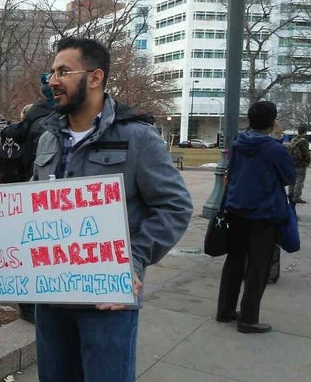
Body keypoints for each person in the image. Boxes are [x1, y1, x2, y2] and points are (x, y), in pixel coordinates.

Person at [31, 36, 192, 381]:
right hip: (50, 298)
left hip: (107, 302)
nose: (52, 81)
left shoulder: (137, 137)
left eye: (62, 71)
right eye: (51, 73)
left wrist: (131, 261)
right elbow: (38, 204)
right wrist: (4, 206)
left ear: (95, 77)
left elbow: (175, 206)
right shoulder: (47, 138)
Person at [216, 101, 295, 333]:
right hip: (264, 215)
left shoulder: (238, 143)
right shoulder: (275, 149)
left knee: (234, 262)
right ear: (272, 122)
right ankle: (248, 319)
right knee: (257, 268)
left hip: (236, 210)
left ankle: (225, 310)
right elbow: (289, 177)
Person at [0, 74, 55, 323]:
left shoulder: (31, 122)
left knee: (29, 249)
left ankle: (29, 305)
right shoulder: (48, 124)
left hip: (24, 189)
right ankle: (32, 306)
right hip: (36, 191)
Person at [287, 125, 310, 203]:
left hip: (292, 162)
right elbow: (306, 153)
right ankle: (297, 197)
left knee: (292, 179)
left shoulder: (293, 139)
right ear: (305, 132)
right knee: (299, 180)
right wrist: (307, 161)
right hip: (301, 163)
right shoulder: (303, 141)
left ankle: (290, 193)